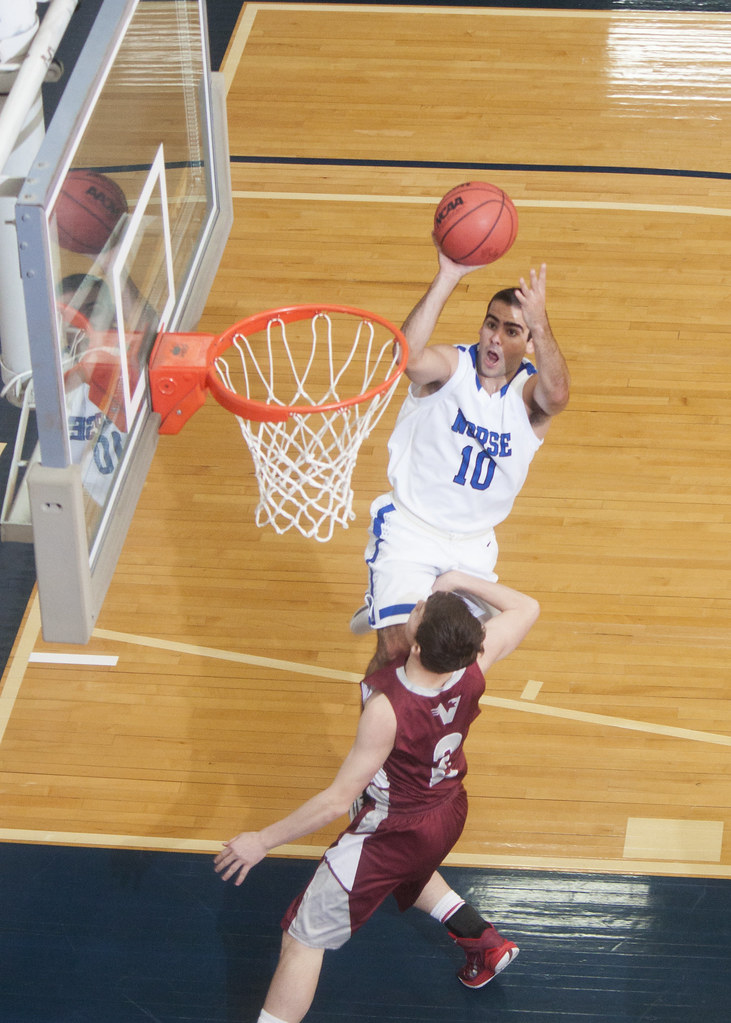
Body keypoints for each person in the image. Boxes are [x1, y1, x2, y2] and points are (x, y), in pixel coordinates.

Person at [215, 571, 540, 1023]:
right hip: (447, 809)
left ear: (420, 646)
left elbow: (334, 800)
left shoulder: (387, 709)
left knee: (302, 940)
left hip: (393, 829)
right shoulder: (474, 662)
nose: (416, 606)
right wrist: (461, 581)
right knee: (409, 866)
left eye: (420, 609)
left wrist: (262, 840)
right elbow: (527, 607)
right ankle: (480, 940)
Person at [351, 241, 569, 674]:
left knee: (447, 664)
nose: (494, 336)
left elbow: (558, 394)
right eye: (491, 324)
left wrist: (543, 327)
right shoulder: (453, 369)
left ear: (528, 343)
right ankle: (374, 742)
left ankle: (390, 601)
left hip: (473, 548)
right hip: (411, 530)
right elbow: (406, 358)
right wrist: (448, 275)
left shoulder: (529, 399)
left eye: (511, 330)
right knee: (397, 651)